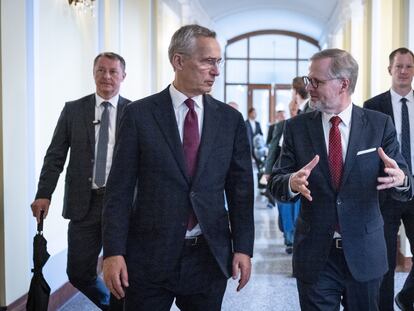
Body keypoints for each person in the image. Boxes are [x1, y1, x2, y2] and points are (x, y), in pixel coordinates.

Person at [102, 24, 254, 311]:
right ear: (178, 61)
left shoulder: (230, 121)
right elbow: (119, 191)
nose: (216, 71)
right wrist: (113, 252)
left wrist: (244, 248)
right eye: (208, 61)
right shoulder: (139, 115)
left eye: (218, 62)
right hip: (148, 257)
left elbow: (241, 191)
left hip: (208, 257)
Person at [268, 48, 412, 310]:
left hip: (366, 253)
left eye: (316, 81)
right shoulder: (297, 128)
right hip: (315, 254)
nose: (308, 87)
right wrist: (291, 183)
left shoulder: (379, 124)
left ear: (343, 83)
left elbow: (405, 181)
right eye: (308, 79)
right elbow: (276, 181)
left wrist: (400, 178)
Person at [30, 52, 130, 310]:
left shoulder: (135, 112)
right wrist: (44, 193)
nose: (106, 77)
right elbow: (55, 155)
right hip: (84, 204)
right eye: (101, 70)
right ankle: (109, 305)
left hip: (122, 205)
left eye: (113, 72)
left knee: (121, 273)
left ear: (123, 76)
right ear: (93, 73)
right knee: (78, 272)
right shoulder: (74, 110)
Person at [364, 47, 414, 311]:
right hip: (385, 191)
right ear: (390, 70)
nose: (404, 71)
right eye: (399, 66)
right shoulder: (373, 107)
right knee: (383, 259)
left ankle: (406, 297)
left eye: (408, 66)